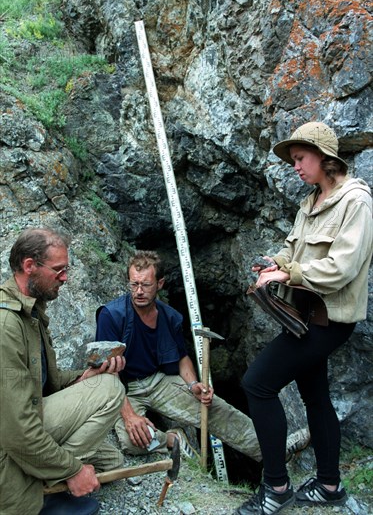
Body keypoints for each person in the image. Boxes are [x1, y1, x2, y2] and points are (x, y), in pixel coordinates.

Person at [234, 122, 373, 515]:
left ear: (324, 157)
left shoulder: (356, 202)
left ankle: (276, 487)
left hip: (328, 321)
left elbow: (342, 268)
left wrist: (289, 274)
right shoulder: (310, 202)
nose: (294, 166)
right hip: (306, 315)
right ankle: (330, 484)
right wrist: (274, 263)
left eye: (300, 158)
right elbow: (295, 252)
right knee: (315, 396)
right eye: (293, 160)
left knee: (257, 383)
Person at [95, 250, 310, 468]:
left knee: (214, 408)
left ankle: (275, 450)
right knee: (132, 442)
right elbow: (107, 374)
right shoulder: (112, 316)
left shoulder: (169, 317)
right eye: (134, 284)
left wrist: (193, 384)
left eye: (146, 285)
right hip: (122, 389)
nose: (139, 291)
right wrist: (130, 416)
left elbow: (180, 357)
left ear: (160, 283)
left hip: (158, 381)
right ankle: (171, 439)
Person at [0, 227, 126, 515]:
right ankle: (42, 480)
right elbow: (16, 431)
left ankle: (46, 471)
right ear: (29, 266)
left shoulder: (30, 312)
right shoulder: (7, 326)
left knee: (112, 461)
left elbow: (44, 383)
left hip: (26, 426)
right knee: (110, 390)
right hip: (9, 446)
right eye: (58, 270)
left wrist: (86, 376)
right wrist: (72, 471)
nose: (65, 278)